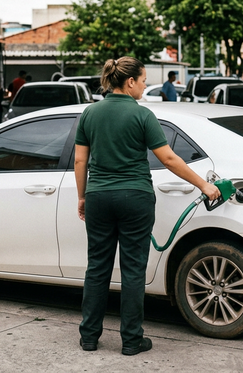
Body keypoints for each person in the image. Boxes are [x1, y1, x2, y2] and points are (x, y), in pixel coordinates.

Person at [74, 56, 219, 356]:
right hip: (135, 198)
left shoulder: (89, 113)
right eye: (142, 81)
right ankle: (131, 341)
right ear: (129, 82)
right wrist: (203, 185)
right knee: (132, 270)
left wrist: (83, 197)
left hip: (99, 196)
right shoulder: (143, 116)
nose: (144, 87)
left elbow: (80, 161)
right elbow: (168, 158)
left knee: (97, 268)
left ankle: (89, 337)